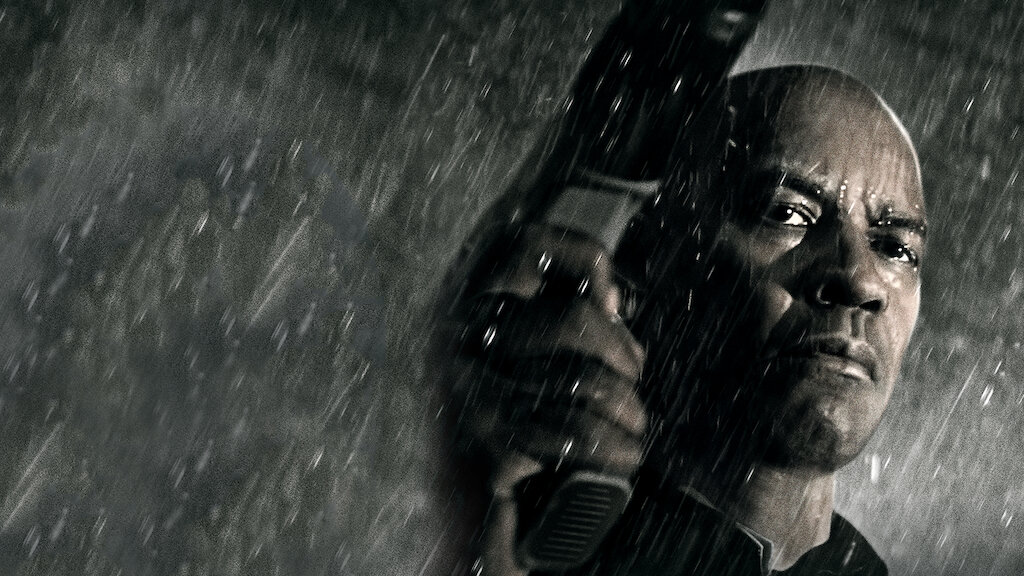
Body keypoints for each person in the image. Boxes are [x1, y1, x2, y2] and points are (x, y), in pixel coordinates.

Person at [431, 64, 926, 576]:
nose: (860, 280)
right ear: (652, 255)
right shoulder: (520, 527)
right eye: (785, 213)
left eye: (896, 248)